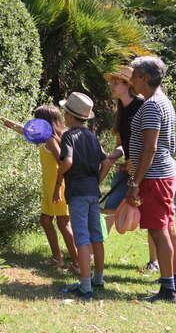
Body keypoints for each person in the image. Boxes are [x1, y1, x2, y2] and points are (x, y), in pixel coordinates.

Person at [0, 107, 80, 273]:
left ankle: (77, 263)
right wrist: (1, 119)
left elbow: (63, 162)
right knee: (46, 221)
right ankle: (57, 259)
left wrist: (58, 188)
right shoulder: (44, 137)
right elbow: (22, 129)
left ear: (45, 122)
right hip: (50, 186)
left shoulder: (51, 140)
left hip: (57, 187)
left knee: (63, 223)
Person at [126, 56, 176, 302]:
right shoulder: (163, 102)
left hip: (155, 176)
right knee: (168, 230)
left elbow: (150, 149)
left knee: (159, 232)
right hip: (164, 173)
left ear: (145, 78)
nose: (130, 80)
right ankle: (175, 284)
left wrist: (135, 182)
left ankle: (168, 290)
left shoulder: (151, 106)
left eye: (134, 75)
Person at [53, 92, 112, 300]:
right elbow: (106, 161)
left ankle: (85, 286)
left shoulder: (69, 136)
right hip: (93, 192)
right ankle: (98, 278)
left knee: (82, 237)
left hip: (77, 192)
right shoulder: (92, 136)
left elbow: (67, 162)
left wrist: (60, 172)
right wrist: (97, 180)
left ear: (68, 115)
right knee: (96, 235)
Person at [100, 66, 145, 237]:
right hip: (127, 168)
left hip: (144, 170)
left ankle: (154, 262)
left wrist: (134, 162)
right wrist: (116, 155)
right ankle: (94, 250)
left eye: (116, 82)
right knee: (110, 206)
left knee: (151, 216)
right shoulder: (120, 109)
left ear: (128, 85)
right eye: (111, 82)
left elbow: (149, 142)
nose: (111, 86)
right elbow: (121, 142)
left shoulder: (142, 106)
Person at [146, 164, 176, 272]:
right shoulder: (170, 163)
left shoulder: (165, 163)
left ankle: (157, 265)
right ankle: (169, 274)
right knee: (166, 235)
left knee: (159, 234)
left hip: (163, 205)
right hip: (169, 206)